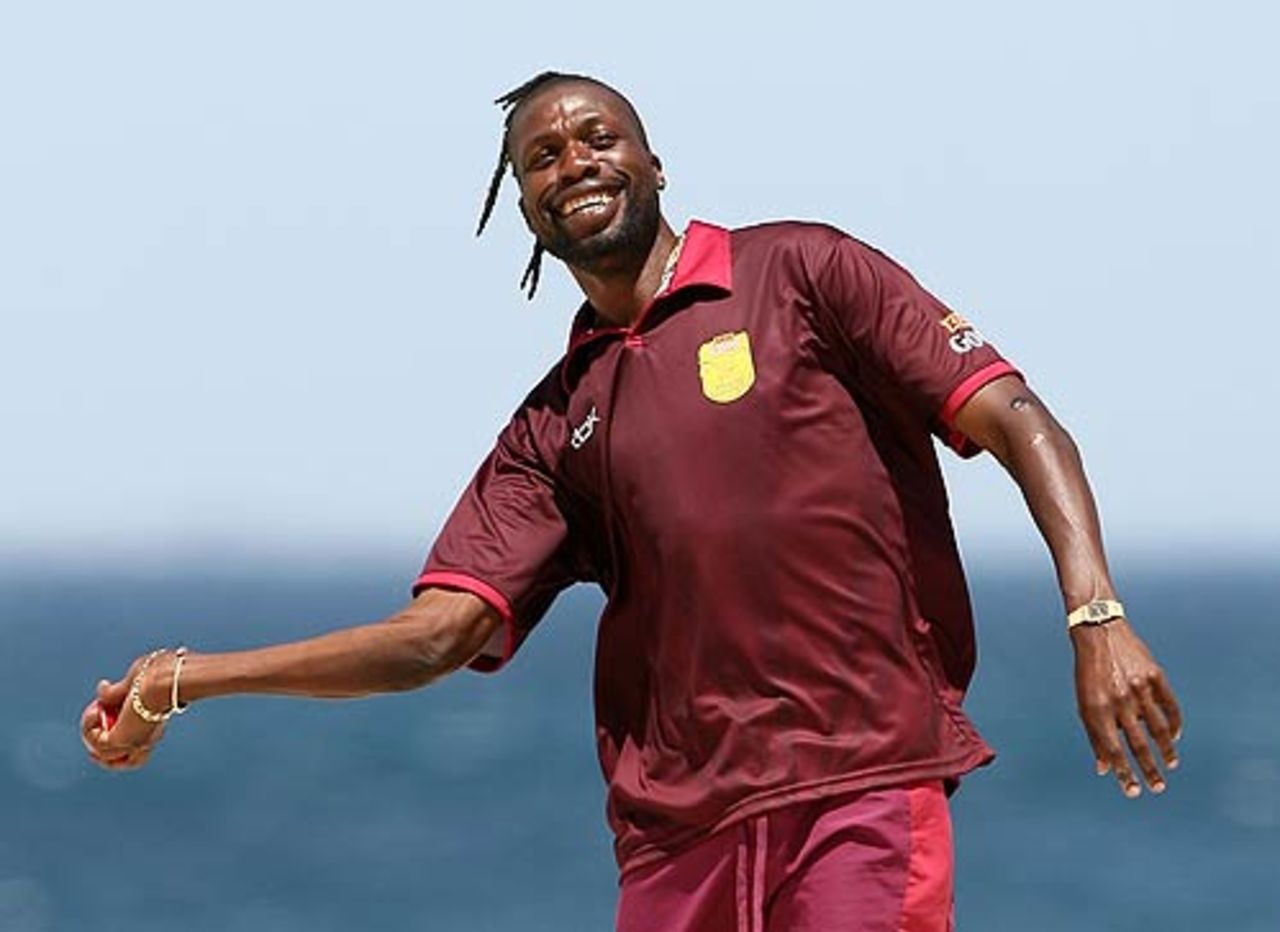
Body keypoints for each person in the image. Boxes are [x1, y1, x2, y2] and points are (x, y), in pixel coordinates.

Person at [81, 71, 1182, 931]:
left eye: (597, 137)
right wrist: (188, 679)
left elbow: (1017, 418)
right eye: (543, 156)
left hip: (859, 788)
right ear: (522, 206)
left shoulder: (802, 272)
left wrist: (1096, 615)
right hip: (675, 841)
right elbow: (436, 635)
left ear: (653, 159)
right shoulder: (555, 424)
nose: (574, 162)